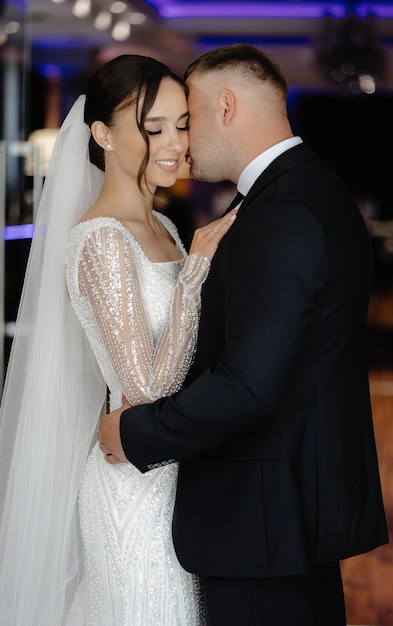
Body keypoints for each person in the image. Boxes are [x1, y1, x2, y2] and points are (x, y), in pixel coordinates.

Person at [98, 43, 389, 626]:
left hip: (262, 519)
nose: (181, 141)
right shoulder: (309, 189)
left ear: (225, 107)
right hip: (290, 508)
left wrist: (134, 434)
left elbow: (248, 384)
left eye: (189, 118)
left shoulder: (281, 211)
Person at [0, 54, 237, 625]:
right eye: (153, 128)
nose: (175, 143)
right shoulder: (102, 239)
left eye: (182, 125)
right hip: (133, 489)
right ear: (102, 134)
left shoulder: (167, 228)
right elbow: (146, 384)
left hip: (178, 476)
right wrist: (197, 272)